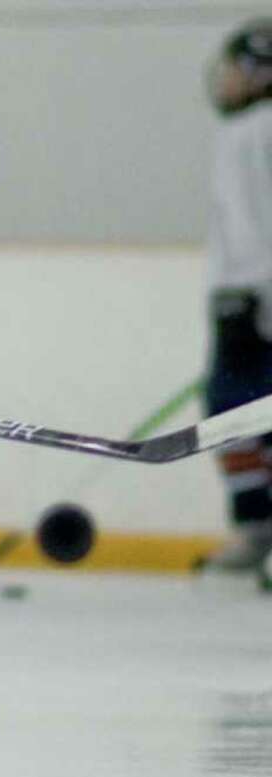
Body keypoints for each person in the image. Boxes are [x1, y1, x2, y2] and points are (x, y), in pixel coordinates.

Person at [193, 20, 272, 580]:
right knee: (229, 409)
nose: (226, 81)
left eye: (238, 69)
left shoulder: (266, 130)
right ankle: (254, 524)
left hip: (262, 295)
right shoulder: (241, 130)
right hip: (236, 297)